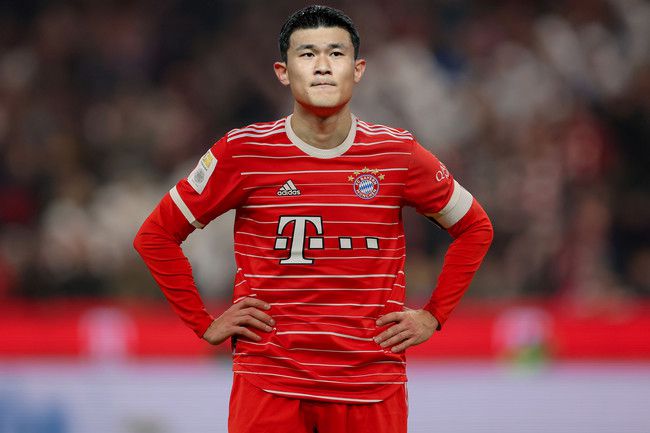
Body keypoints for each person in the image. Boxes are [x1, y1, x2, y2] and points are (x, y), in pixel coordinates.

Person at [133, 5, 493, 433]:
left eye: (336, 53)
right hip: (270, 384)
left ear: (358, 70)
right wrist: (203, 323)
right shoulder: (243, 152)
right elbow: (155, 235)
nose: (322, 66)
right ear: (283, 72)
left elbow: (475, 227)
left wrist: (433, 315)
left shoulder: (397, 154)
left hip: (370, 386)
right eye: (307, 54)